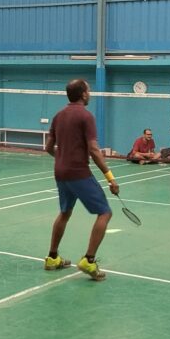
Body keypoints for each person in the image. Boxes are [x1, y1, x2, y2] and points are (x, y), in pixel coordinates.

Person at [44, 79, 118, 281]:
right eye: (89, 90)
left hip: (60, 172)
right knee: (105, 213)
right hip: (78, 173)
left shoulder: (58, 116)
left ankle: (52, 258)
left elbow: (48, 148)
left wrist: (63, 159)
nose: (90, 93)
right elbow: (93, 149)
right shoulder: (86, 116)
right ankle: (89, 260)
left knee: (64, 213)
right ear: (83, 94)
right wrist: (110, 178)